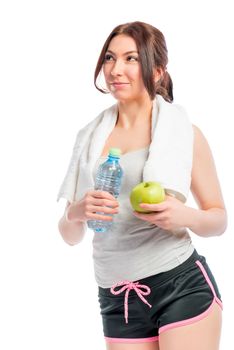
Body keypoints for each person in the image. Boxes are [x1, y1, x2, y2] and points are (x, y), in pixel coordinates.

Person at [57, 21, 227, 350]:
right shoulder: (88, 140)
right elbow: (70, 235)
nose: (116, 69)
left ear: (158, 70)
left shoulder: (184, 133)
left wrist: (184, 216)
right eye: (109, 58)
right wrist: (76, 212)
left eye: (131, 59)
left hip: (180, 285)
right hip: (116, 297)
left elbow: (218, 220)